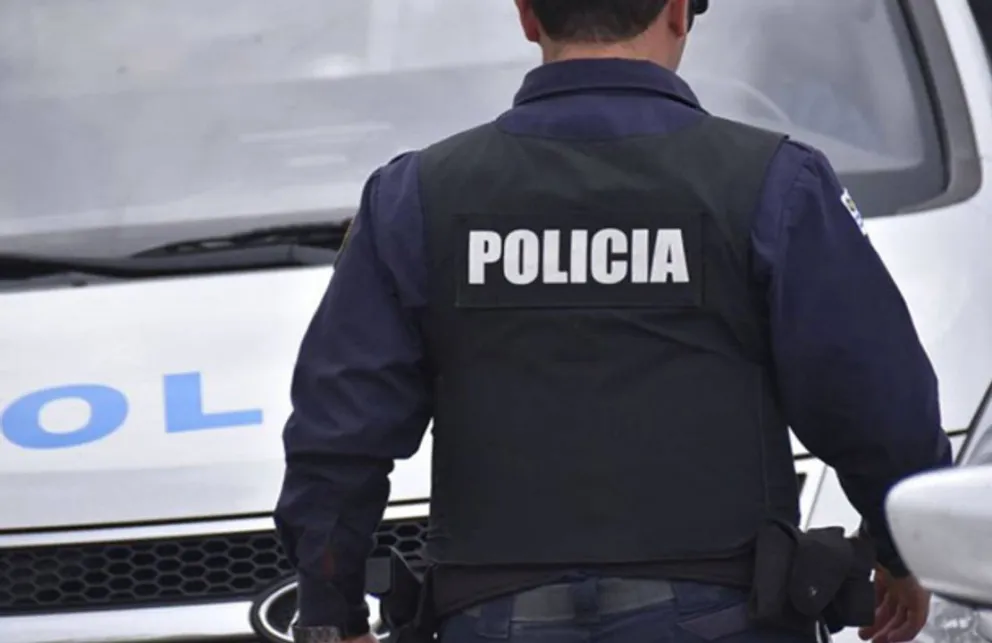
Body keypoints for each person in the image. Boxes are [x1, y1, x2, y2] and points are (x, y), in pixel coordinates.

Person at [273, 1, 953, 642]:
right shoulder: (775, 183)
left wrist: (330, 612)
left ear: (527, 14)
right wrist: (905, 550)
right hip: (722, 612)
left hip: (492, 613)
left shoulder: (415, 197)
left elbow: (340, 433)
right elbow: (876, 400)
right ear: (679, 11)